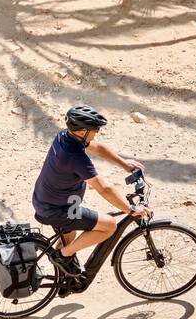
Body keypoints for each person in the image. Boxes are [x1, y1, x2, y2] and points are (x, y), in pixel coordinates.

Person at [31, 105, 150, 269]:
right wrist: (130, 209)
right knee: (109, 225)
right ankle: (62, 255)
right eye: (95, 129)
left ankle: (64, 272)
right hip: (58, 210)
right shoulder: (75, 157)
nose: (97, 132)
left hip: (46, 201)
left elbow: (98, 148)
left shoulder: (65, 136)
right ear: (82, 132)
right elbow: (104, 189)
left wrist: (123, 163)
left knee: (69, 235)